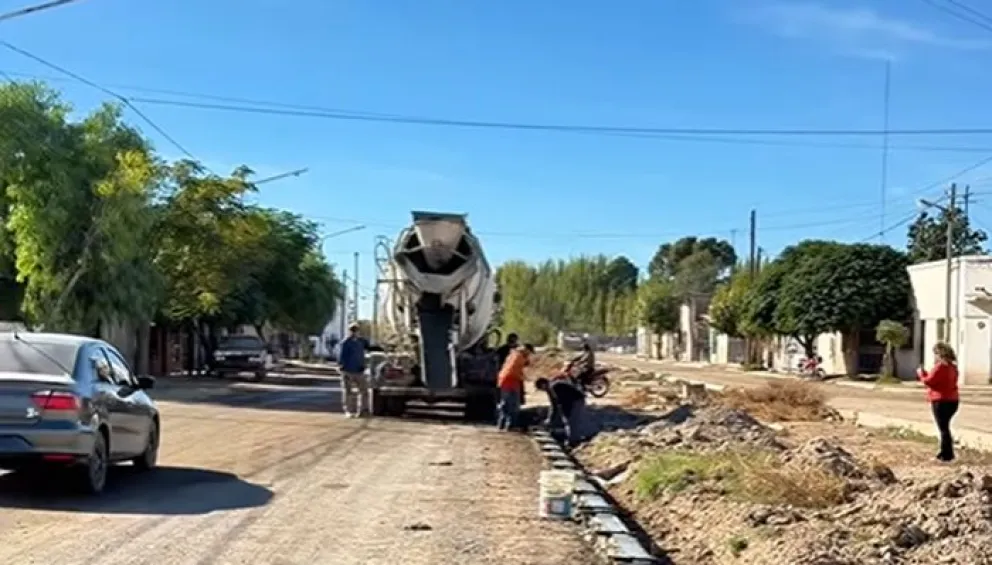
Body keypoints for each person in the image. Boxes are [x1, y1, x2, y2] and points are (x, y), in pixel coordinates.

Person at [917, 342, 960, 462]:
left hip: (940, 400)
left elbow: (929, 381)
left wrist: (921, 374)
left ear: (939, 354)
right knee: (945, 427)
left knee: (943, 428)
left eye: (935, 354)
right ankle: (946, 452)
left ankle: (946, 454)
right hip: (953, 400)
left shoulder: (940, 366)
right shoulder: (953, 367)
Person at [535, 376, 598, 447]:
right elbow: (554, 406)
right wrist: (549, 419)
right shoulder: (550, 390)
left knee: (572, 421)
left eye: (541, 388)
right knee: (569, 421)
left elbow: (564, 402)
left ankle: (574, 441)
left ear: (543, 384)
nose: (542, 390)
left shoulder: (556, 386)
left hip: (576, 401)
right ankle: (574, 439)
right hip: (571, 402)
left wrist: (565, 414)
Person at [496, 343, 533, 431]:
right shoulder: (519, 357)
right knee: (513, 405)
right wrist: (523, 377)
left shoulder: (513, 354)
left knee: (505, 404)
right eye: (529, 352)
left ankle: (502, 424)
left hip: (506, 381)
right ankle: (510, 425)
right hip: (510, 382)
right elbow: (513, 371)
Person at [338, 323, 369, 418]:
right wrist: (342, 367)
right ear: (350, 331)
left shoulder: (361, 341)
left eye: (356, 330)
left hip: (359, 370)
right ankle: (348, 411)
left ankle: (363, 410)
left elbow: (368, 347)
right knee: (348, 391)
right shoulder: (346, 342)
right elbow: (342, 356)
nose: (354, 332)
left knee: (364, 391)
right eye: (352, 330)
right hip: (348, 370)